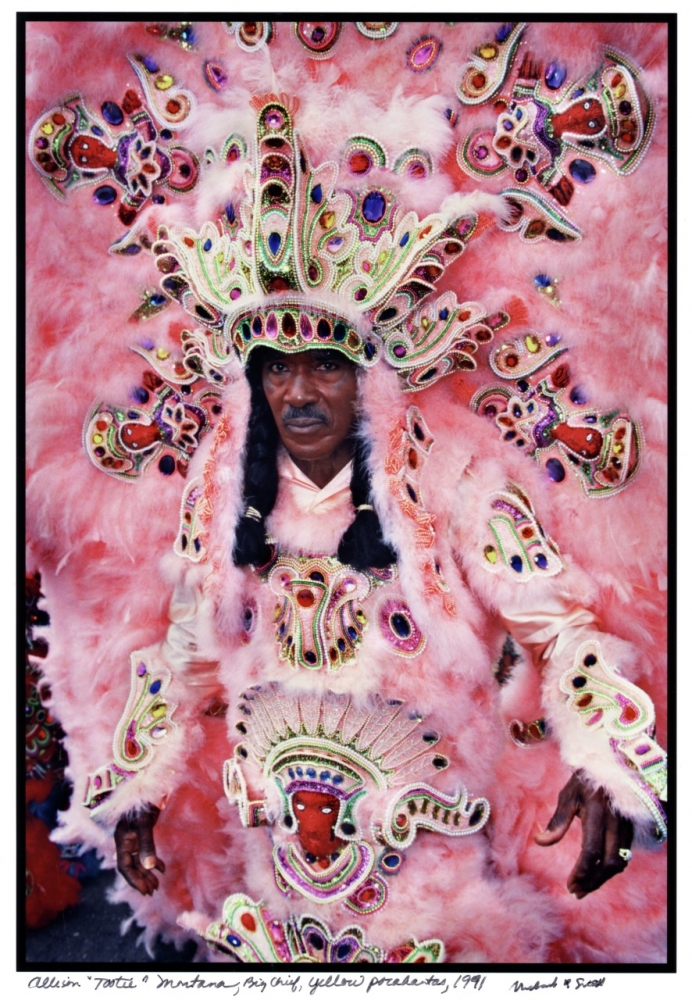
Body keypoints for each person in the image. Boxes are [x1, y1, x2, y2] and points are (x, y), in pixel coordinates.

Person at [26, 22, 668, 965]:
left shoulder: (445, 473)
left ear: (369, 372)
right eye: (274, 369)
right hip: (270, 883)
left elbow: (556, 624)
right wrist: (141, 789)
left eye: (323, 366)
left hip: (432, 881)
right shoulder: (223, 484)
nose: (298, 391)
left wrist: (602, 754)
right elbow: (190, 643)